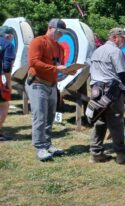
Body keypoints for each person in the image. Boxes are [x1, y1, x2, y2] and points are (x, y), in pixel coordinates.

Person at [25, 18, 71, 161]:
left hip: (51, 85)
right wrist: (56, 68)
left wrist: (68, 70)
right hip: (37, 83)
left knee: (50, 117)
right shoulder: (38, 41)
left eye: (63, 33)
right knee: (40, 116)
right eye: (59, 32)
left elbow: (58, 66)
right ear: (50, 28)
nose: (61, 35)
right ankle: (40, 147)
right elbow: (33, 62)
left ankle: (47, 144)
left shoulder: (60, 47)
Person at [88, 27, 125, 164]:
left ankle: (96, 153)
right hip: (111, 91)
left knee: (100, 120)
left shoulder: (97, 51)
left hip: (96, 90)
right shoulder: (116, 52)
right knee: (116, 121)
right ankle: (121, 154)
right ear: (115, 38)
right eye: (124, 39)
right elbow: (122, 73)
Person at [0, 26, 16, 141]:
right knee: (4, 105)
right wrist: (9, 84)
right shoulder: (8, 44)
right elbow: (6, 67)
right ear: (9, 36)